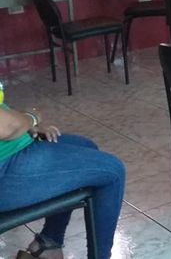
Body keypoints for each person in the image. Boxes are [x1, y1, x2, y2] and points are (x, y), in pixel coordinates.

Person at [0, 96, 125, 259]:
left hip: (10, 150)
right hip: (5, 165)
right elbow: (7, 127)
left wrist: (24, 127)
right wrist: (31, 118)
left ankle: (49, 243)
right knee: (113, 172)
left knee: (86, 147)